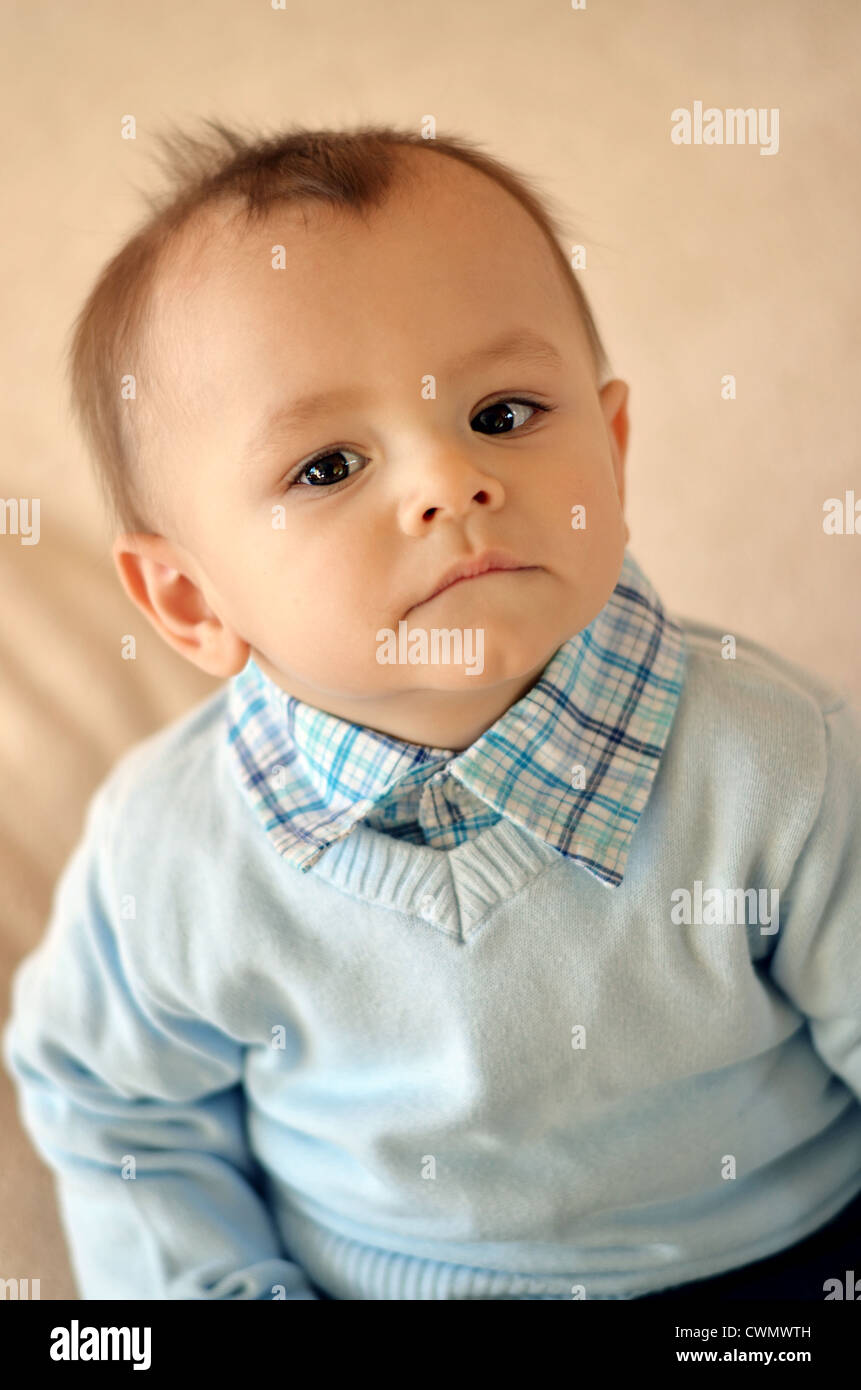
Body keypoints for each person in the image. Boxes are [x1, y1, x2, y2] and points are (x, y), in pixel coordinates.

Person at [4, 121, 860, 1300]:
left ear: (613, 453)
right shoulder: (171, 852)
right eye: (327, 466)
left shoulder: (783, 766)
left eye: (504, 413)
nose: (451, 482)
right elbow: (118, 1109)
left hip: (773, 1261)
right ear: (192, 599)